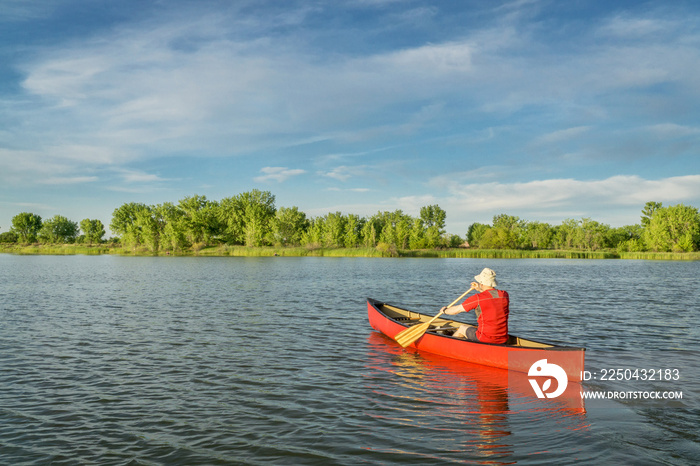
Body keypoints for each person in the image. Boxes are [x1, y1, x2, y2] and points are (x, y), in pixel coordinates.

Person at [440, 268, 510, 344]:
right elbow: (490, 296)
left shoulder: (478, 298)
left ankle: (450, 346)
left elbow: (457, 310)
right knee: (473, 328)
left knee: (462, 328)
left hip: (484, 338)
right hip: (503, 338)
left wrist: (444, 311)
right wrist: (480, 289)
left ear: (481, 283)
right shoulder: (504, 295)